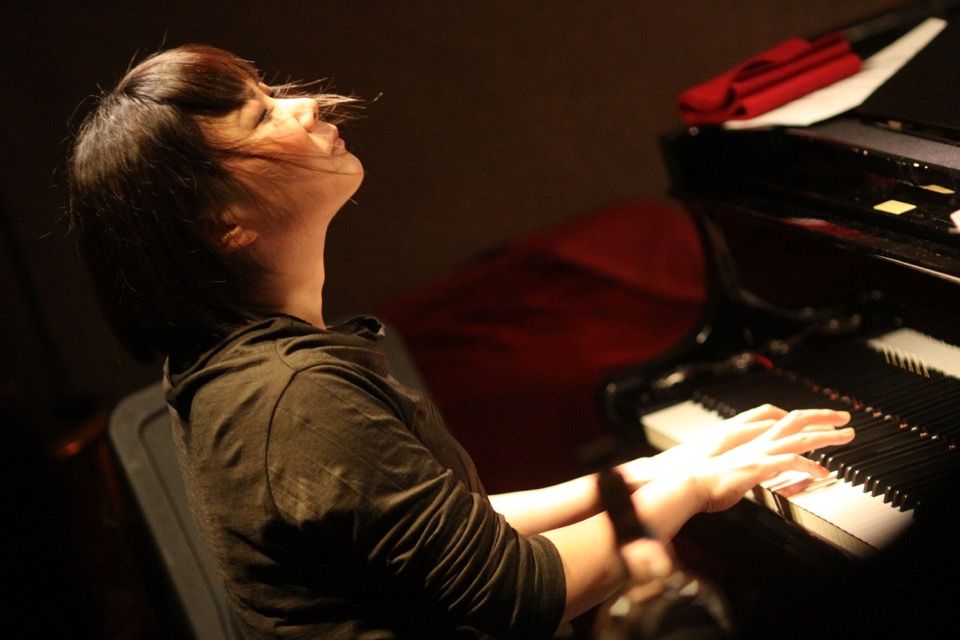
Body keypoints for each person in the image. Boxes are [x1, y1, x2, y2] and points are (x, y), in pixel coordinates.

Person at [66, 44, 854, 639]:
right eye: (261, 115)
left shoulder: (243, 370)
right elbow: (518, 594)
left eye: (271, 91)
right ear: (224, 225)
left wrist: (658, 470)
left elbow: (459, 530)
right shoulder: (291, 398)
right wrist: (698, 490)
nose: (302, 105)